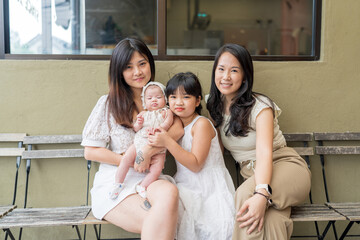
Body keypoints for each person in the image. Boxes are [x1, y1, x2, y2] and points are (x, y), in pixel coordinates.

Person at [206, 43, 311, 239]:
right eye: (221, 69)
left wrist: (261, 194)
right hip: (255, 177)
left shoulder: (260, 107)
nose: (226, 76)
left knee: (245, 196)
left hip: (285, 168)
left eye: (234, 70)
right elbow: (216, 148)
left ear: (245, 76)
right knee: (272, 222)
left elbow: (265, 153)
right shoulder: (214, 106)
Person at [81, 38, 183, 240]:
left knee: (170, 193)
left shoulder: (161, 99)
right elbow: (90, 152)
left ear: (150, 65)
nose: (137, 72)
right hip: (116, 180)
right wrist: (131, 161)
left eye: (142, 64)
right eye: (129, 67)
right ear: (119, 71)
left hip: (149, 178)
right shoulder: (108, 103)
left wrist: (147, 152)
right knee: (158, 222)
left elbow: (178, 128)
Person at [148, 72, 235, 240]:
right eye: (173, 97)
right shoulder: (178, 125)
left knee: (209, 230)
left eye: (186, 97)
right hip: (187, 185)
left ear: (197, 101)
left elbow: (196, 165)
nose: (178, 102)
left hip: (207, 187)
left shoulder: (201, 124)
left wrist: (167, 141)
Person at [109, 81, 173, 200]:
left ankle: (142, 186)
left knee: (157, 169)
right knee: (126, 158)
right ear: (144, 101)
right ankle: (118, 183)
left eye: (158, 97)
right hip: (140, 141)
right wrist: (138, 123)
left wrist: (159, 128)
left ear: (165, 99)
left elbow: (167, 124)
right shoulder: (143, 113)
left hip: (157, 143)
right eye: (149, 98)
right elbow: (136, 129)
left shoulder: (166, 112)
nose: (154, 100)